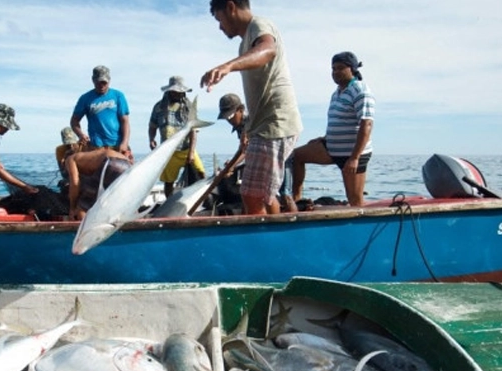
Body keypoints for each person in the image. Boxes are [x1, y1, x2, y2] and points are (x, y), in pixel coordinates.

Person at [201, 0, 302, 215]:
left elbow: (268, 49)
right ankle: (277, 238)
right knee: (261, 193)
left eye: (219, 19)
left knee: (252, 195)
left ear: (230, 7)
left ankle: (267, 245)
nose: (220, 27)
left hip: (275, 122)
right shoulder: (244, 43)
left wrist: (228, 66)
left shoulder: (259, 25)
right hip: (262, 126)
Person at [291, 51, 375, 207]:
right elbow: (339, 121)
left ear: (352, 69)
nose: (335, 72)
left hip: (352, 154)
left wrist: (355, 158)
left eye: (340, 68)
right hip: (331, 149)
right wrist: (325, 138)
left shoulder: (360, 91)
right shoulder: (336, 93)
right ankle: (296, 201)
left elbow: (367, 124)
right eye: (333, 68)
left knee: (355, 201)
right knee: (296, 156)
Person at [58, 127, 133, 221]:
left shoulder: (71, 159)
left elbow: (75, 183)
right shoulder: (91, 147)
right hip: (126, 165)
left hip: (109, 164)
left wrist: (73, 207)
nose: (71, 147)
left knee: (82, 206)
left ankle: (86, 234)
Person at [149, 76, 207, 197]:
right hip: (169, 152)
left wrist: (191, 152)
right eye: (174, 91)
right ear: (169, 91)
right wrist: (151, 139)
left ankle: (204, 199)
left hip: (186, 149)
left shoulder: (189, 107)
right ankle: (169, 205)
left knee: (201, 173)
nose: (177, 94)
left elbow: (193, 131)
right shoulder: (159, 107)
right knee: (168, 181)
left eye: (180, 92)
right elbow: (152, 125)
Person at [70, 65, 133, 160]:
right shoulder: (85, 98)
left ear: (109, 80)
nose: (101, 85)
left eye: (104, 82)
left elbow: (125, 121)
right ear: (93, 80)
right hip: (96, 148)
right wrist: (80, 134)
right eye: (98, 82)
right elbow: (74, 121)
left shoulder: (118, 96)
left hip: (117, 146)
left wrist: (124, 143)